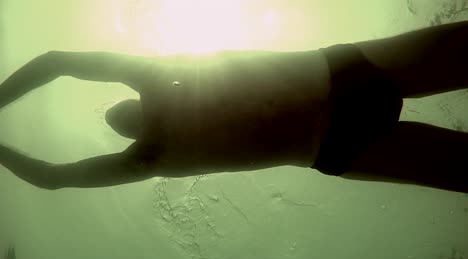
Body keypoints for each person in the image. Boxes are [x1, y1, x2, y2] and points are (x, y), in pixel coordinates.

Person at [0, 21, 467, 193]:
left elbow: (53, 176)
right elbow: (56, 65)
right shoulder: (151, 137)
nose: (125, 117)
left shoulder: (149, 150)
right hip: (336, 120)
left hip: (336, 116)